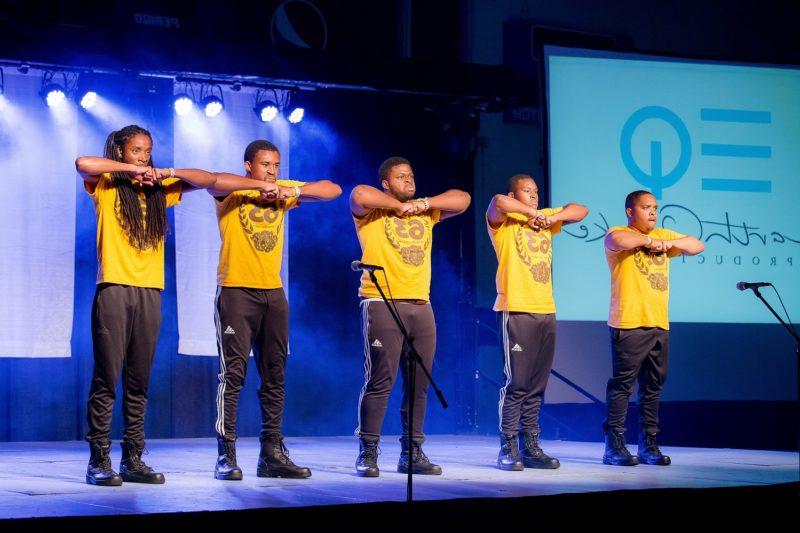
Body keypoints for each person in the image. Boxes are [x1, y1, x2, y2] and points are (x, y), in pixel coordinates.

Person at [76, 125, 275, 486]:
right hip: (114, 288)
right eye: (136, 151)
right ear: (120, 152)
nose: (144, 157)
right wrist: (132, 171)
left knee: (139, 380)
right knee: (107, 378)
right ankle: (98, 459)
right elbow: (82, 162)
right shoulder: (106, 184)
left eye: (148, 151)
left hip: (150, 291)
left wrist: (165, 173)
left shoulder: (160, 191)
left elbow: (206, 178)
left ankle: (133, 458)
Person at [211, 140, 342, 480]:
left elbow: (333, 190)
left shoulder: (282, 190)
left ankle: (271, 453)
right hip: (237, 290)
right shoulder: (235, 192)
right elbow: (215, 181)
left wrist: (287, 191)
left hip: (273, 293)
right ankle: (226, 455)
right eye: (265, 164)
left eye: (275, 165)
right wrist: (261, 187)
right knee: (234, 376)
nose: (271, 170)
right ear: (249, 166)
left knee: (275, 376)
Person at [349, 156, 470, 477]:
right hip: (381, 301)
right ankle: (368, 451)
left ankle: (412, 451)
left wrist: (423, 203)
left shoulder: (425, 210)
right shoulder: (372, 211)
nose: (409, 180)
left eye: (411, 175)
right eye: (401, 177)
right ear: (386, 183)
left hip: (421, 304)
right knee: (380, 381)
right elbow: (359, 194)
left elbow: (463, 199)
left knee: (419, 384)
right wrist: (398, 207)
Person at [487, 173, 588, 471]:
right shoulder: (504, 224)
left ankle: (531, 444)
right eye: (526, 191)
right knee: (516, 382)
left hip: (546, 309)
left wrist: (546, 217)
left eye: (536, 191)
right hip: (516, 308)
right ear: (514, 194)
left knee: (536, 385)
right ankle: (508, 445)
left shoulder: (546, 220)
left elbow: (580, 210)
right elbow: (497, 202)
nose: (533, 195)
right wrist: (532, 214)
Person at [602, 190, 704, 466]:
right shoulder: (619, 232)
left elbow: (696, 245)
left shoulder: (664, 235)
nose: (652, 212)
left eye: (655, 208)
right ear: (630, 211)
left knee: (653, 387)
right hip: (629, 322)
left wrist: (661, 242)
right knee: (622, 385)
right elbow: (617, 240)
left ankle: (649, 443)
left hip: (658, 322)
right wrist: (651, 241)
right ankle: (615, 445)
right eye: (646, 207)